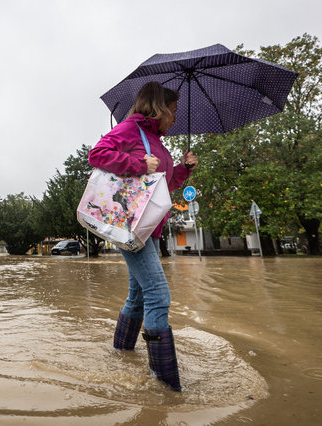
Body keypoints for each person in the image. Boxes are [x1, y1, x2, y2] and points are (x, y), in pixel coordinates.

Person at [88, 81, 197, 391]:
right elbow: (97, 155)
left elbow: (161, 185)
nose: (175, 119)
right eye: (172, 112)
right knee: (158, 294)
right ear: (158, 108)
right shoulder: (130, 129)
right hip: (130, 225)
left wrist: (184, 170)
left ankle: (120, 355)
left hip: (151, 226)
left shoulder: (159, 144)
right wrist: (137, 164)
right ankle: (166, 386)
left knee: (137, 297)